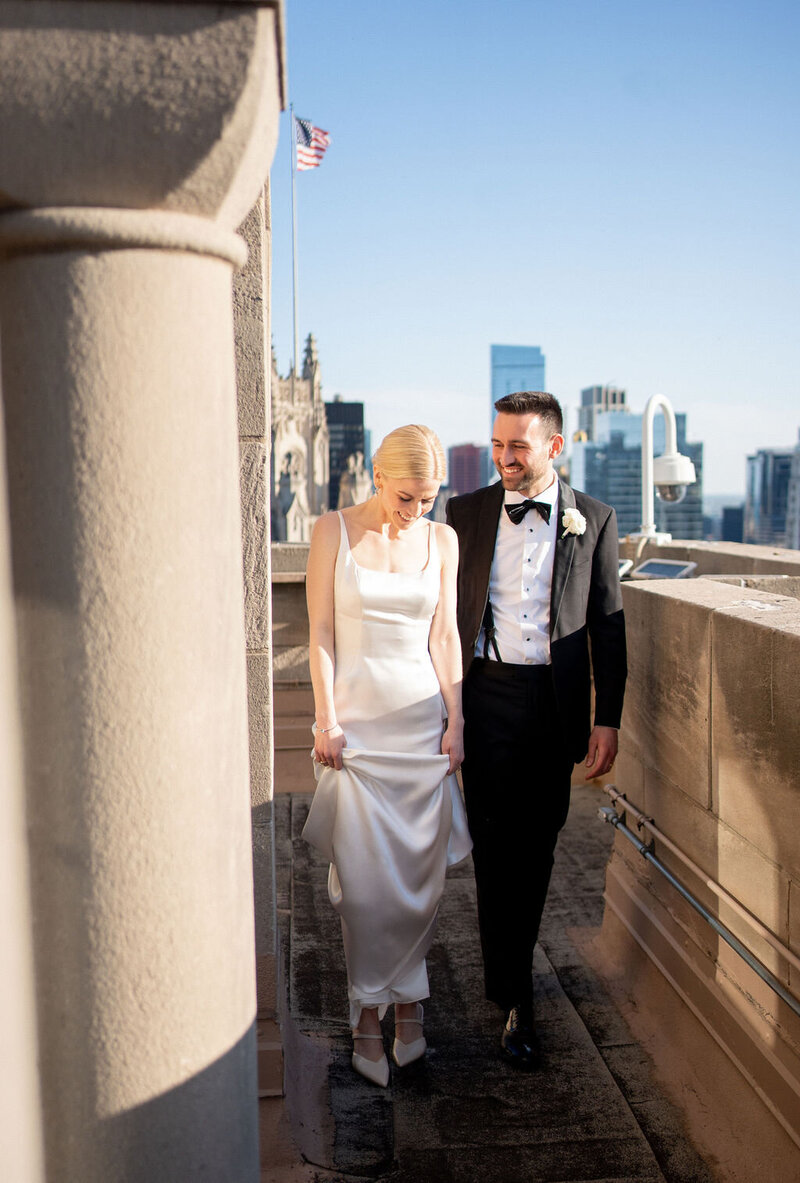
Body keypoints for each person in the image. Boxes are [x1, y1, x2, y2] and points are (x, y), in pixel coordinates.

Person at [446, 391, 626, 1070]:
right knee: (494, 849)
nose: (503, 458)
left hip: (553, 706)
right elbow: (442, 614)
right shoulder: (464, 512)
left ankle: (512, 977)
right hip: (486, 698)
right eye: (496, 444)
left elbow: (608, 623)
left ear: (554, 446)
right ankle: (516, 995)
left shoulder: (595, 519)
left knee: (539, 847)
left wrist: (606, 715)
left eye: (517, 446)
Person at [302, 424, 471, 1087]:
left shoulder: (442, 539)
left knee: (419, 884)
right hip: (356, 733)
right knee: (365, 890)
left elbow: (447, 634)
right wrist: (326, 718)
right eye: (407, 498)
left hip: (421, 731)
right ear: (379, 478)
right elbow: (318, 630)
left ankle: (408, 1006)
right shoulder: (331, 530)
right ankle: (367, 1016)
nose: (417, 511)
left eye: (427, 499)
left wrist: (458, 719)